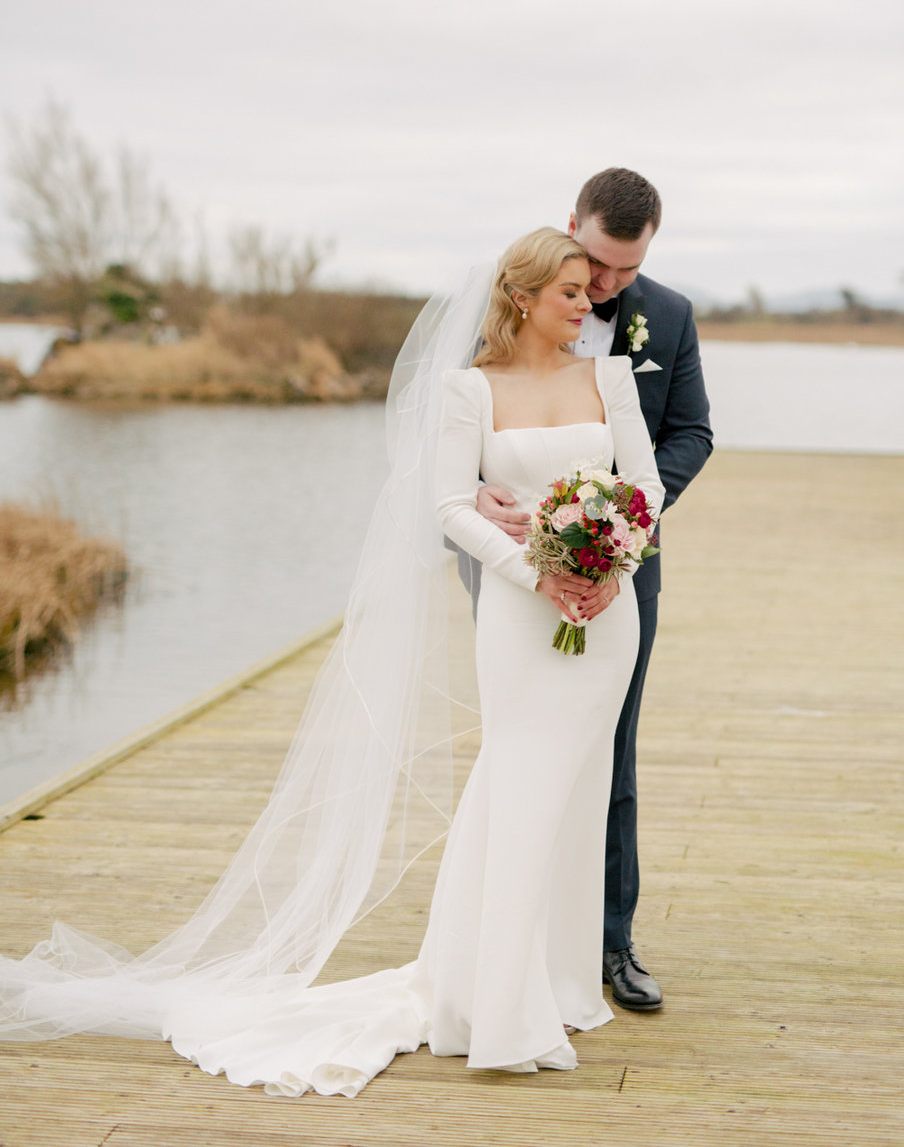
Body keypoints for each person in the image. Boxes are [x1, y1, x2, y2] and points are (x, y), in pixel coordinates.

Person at [0, 227, 663, 1095]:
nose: (589, 304)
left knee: (575, 787)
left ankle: (564, 977)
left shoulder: (609, 377)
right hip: (519, 609)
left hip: (605, 614)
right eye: (573, 291)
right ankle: (497, 1004)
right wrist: (534, 571)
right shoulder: (471, 388)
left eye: (591, 291)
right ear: (523, 298)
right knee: (517, 781)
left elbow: (644, 488)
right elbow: (448, 505)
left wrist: (609, 566)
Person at [475, 169, 713, 1012]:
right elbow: (446, 422)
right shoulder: (504, 296)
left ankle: (610, 945)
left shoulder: (671, 317)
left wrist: (623, 514)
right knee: (518, 747)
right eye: (595, 267)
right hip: (512, 570)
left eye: (623, 271)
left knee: (611, 751)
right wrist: (471, 490)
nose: (604, 288)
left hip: (623, 564)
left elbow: (692, 432)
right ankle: (504, 941)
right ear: (570, 222)